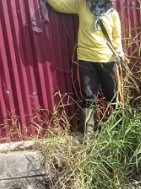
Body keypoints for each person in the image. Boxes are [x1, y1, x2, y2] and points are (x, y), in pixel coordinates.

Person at [47, 0, 124, 135]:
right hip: (86, 59)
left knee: (113, 95)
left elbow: (117, 37)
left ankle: (121, 129)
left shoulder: (113, 14)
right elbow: (60, 5)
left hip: (107, 60)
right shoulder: (81, 5)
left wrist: (119, 53)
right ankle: (89, 133)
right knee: (89, 96)